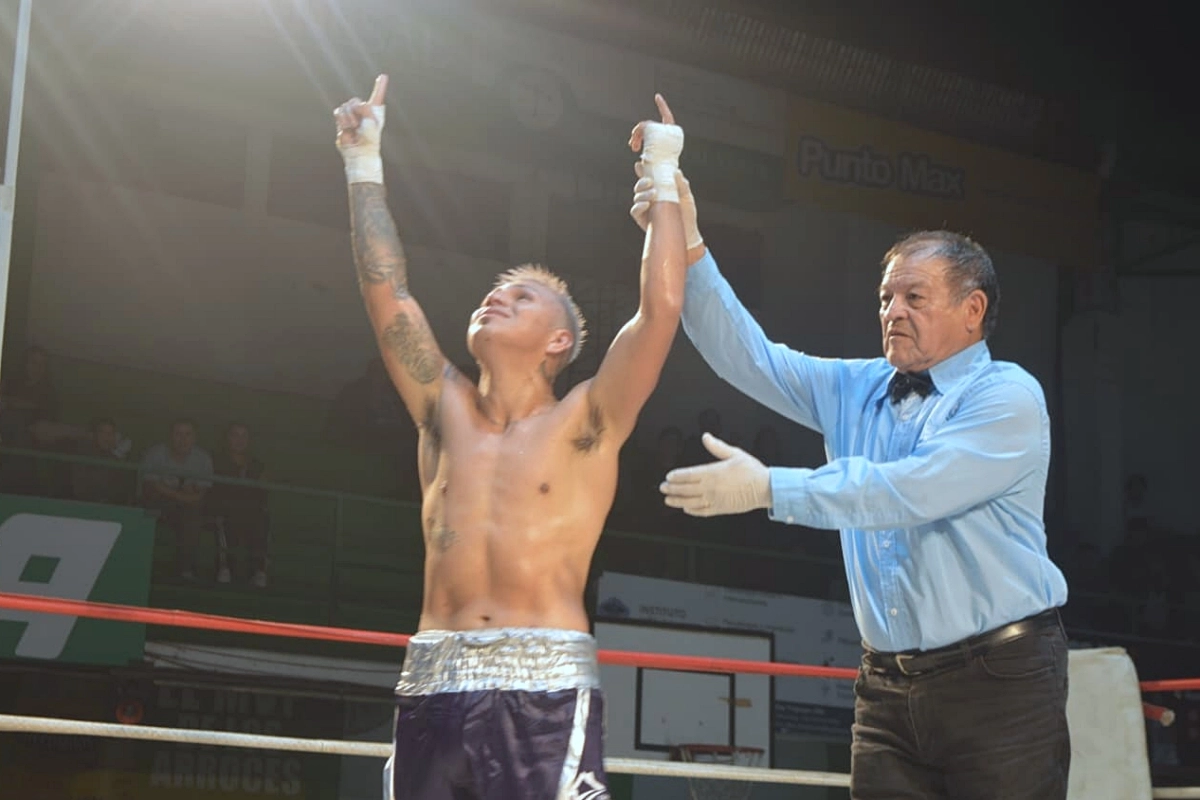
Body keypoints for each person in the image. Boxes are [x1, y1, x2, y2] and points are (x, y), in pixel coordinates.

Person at [634, 174, 1071, 798]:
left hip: (999, 680)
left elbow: (910, 490)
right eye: (886, 297)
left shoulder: (1007, 397)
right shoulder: (856, 386)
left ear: (972, 311)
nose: (893, 311)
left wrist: (770, 489)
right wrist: (691, 241)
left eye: (915, 297)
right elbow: (748, 357)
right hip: (886, 685)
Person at [333, 75, 688, 800]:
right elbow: (385, 291)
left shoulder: (588, 420)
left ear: (558, 339)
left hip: (546, 685)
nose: (497, 295)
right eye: (494, 290)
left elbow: (660, 313)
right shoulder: (442, 407)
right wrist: (362, 160)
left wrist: (663, 175)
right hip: (434, 674)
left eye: (521, 296)